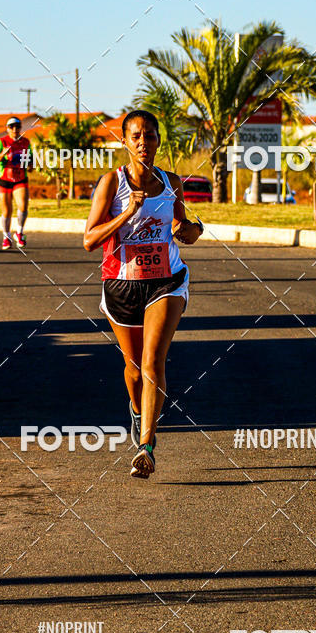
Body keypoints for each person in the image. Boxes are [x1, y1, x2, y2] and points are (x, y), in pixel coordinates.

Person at [84, 110, 203, 478]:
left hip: (167, 281)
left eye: (149, 136)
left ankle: (146, 446)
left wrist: (191, 231)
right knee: (134, 370)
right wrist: (127, 213)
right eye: (135, 136)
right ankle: (138, 413)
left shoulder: (171, 182)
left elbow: (185, 224)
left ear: (157, 141)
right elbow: (89, 239)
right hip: (121, 285)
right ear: (124, 141)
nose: (143, 142)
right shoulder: (111, 183)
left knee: (153, 361)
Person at [0, 116, 33, 249]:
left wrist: (31, 165)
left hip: (20, 178)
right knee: (7, 210)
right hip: (4, 180)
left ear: (20, 128)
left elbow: (30, 159)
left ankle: (19, 232)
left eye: (17, 127)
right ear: (7, 129)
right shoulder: (1, 142)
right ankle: (6, 236)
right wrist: (2, 154)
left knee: (23, 206)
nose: (15, 129)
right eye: (11, 127)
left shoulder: (25, 142)